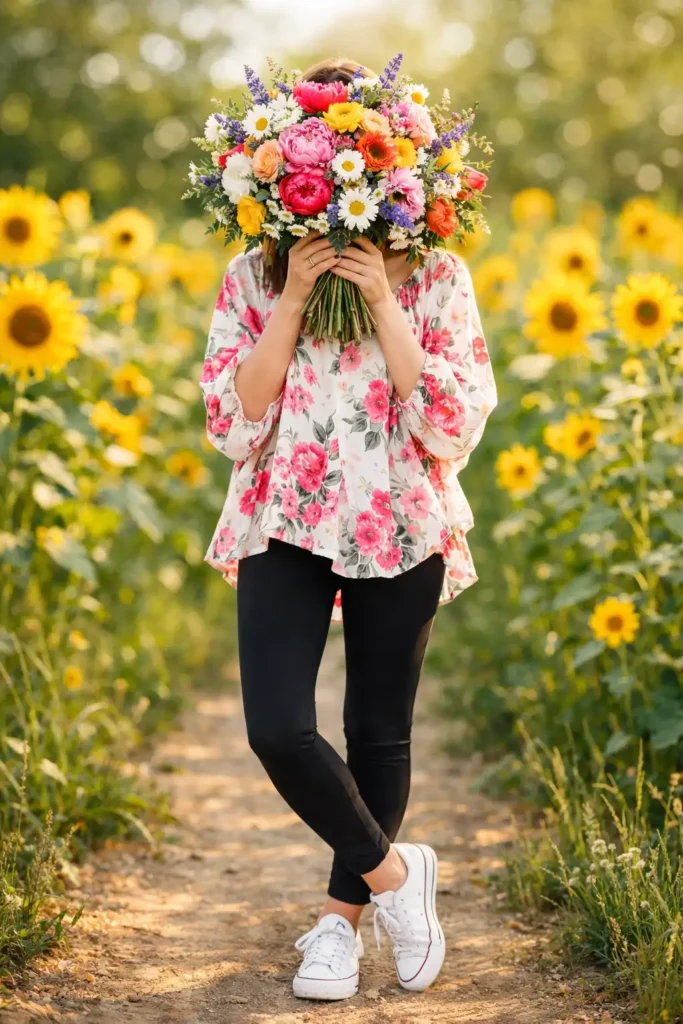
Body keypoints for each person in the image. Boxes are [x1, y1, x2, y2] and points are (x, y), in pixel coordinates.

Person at [199, 56, 497, 1002]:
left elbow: (451, 424)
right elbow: (232, 423)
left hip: (400, 514)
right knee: (278, 728)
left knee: (378, 732)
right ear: (277, 180)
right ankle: (398, 877)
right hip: (283, 513)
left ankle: (340, 925)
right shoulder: (251, 272)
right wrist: (291, 296)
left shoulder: (437, 276)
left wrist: (377, 297)